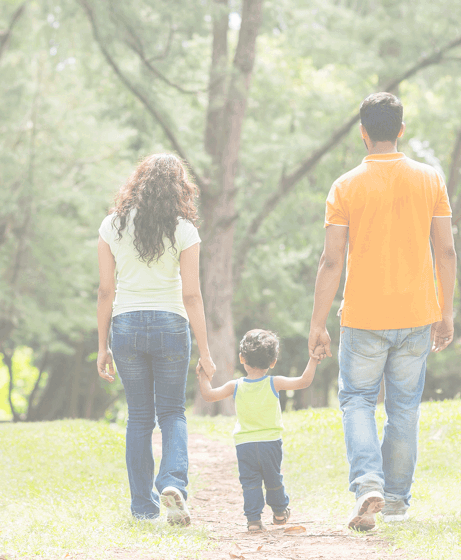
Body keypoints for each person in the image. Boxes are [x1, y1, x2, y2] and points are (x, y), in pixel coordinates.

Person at [307, 92, 457, 531]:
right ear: (401, 130)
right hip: (416, 314)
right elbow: (445, 250)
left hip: (364, 316)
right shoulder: (430, 180)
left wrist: (318, 322)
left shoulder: (346, 186)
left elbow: (331, 260)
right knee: (404, 408)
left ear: (363, 133)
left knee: (356, 400)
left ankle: (368, 482)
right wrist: (445, 311)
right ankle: (394, 503)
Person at [96, 153, 217, 526]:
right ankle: (172, 483)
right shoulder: (184, 230)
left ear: (139, 183)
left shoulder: (111, 226)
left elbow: (105, 291)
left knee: (139, 418)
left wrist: (103, 346)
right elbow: (192, 295)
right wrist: (206, 352)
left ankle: (143, 508)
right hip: (170, 326)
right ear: (180, 188)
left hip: (126, 326)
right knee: (172, 412)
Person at [196, 329, 318, 532]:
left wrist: (202, 374)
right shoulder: (274, 382)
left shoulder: (235, 385)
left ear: (241, 358)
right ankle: (279, 513)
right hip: (270, 443)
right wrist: (313, 359)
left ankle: (253, 520)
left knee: (250, 482)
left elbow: (208, 395)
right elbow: (304, 380)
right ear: (273, 362)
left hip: (245, 445)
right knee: (273, 478)